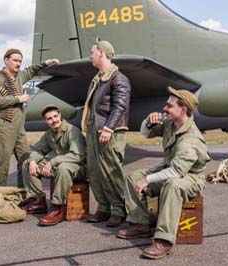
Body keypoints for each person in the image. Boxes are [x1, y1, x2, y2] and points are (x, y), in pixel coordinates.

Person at [116, 87, 211, 259]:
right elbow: (145, 134)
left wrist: (148, 180)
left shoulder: (190, 138)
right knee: (133, 177)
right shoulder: (170, 123)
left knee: (172, 185)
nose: (165, 108)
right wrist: (148, 121)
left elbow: (177, 171)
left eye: (169, 106)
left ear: (182, 110)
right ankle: (140, 224)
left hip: (191, 177)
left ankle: (164, 240)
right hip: (171, 169)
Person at [0, 48, 59, 188]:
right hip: (4, 126)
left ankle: (22, 194)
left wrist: (46, 63)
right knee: (2, 164)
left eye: (20, 61)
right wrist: (19, 98)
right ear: (6, 60)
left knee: (26, 160)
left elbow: (31, 70)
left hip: (18, 127)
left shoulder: (19, 76)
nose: (18, 64)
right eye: (15, 60)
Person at [81, 38, 131, 227]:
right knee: (94, 171)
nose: (90, 56)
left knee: (110, 171)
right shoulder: (98, 79)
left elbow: (120, 106)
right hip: (95, 130)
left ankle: (118, 209)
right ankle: (104, 207)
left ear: (101, 52)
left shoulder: (119, 78)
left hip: (109, 131)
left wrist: (109, 128)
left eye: (92, 52)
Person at [20, 105, 86, 226]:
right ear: (45, 121)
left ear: (60, 115)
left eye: (55, 116)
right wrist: (33, 160)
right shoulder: (48, 134)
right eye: (49, 118)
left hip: (78, 168)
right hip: (61, 167)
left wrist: (52, 162)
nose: (54, 120)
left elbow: (77, 156)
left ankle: (57, 208)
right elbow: (38, 150)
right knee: (27, 164)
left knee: (63, 167)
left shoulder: (72, 131)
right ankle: (38, 200)